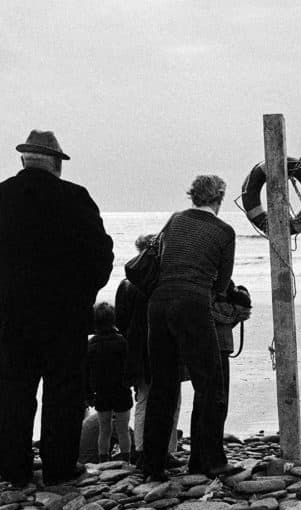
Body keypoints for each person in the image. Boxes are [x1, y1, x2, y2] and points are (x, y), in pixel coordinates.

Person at [0, 131, 114, 487]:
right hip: (64, 317)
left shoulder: (2, 196)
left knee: (13, 391)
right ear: (56, 164)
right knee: (63, 393)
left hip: (9, 317)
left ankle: (13, 468)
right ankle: (58, 467)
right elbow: (101, 256)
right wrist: (83, 294)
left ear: (24, 160)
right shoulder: (75, 198)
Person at [142, 175, 235, 480]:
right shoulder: (223, 231)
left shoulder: (175, 220)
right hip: (193, 302)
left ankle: (152, 464)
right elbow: (221, 284)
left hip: (158, 302)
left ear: (193, 195)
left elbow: (159, 255)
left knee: (162, 385)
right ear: (219, 197)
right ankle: (207, 460)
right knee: (209, 384)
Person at [116, 234, 182, 467]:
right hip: (163, 345)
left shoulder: (127, 283)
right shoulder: (162, 280)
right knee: (170, 399)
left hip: (137, 350)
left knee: (145, 397)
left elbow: (120, 320)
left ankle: (143, 448)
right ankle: (166, 448)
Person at [85, 302, 132, 462]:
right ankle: (127, 460)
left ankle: (103, 460)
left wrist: (88, 393)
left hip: (101, 392)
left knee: (104, 430)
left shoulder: (91, 345)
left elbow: (86, 372)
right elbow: (129, 367)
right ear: (114, 320)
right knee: (123, 429)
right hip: (121, 390)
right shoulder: (122, 342)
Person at [210, 281, 252, 436]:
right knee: (219, 398)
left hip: (209, 345)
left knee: (210, 398)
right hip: (221, 346)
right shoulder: (224, 281)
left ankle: (210, 442)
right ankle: (214, 441)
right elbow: (242, 312)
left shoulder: (204, 278)